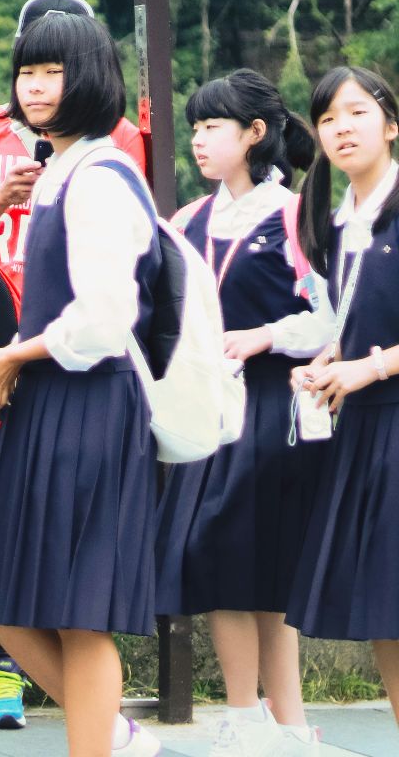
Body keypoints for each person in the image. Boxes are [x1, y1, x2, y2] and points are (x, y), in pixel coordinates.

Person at [0, 12, 166, 757]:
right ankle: (114, 734)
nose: (35, 87)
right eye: (27, 72)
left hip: (91, 406)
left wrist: (16, 354)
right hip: (53, 405)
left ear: (90, 79)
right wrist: (18, 355)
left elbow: (105, 321)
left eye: (53, 72)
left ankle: (102, 742)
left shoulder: (103, 175)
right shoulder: (61, 170)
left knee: (80, 615)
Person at [152, 69, 326, 756]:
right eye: (194, 126)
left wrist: (264, 336)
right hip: (208, 411)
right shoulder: (188, 220)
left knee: (261, 565)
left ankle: (279, 723)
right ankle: (252, 716)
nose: (197, 138)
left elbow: (328, 315)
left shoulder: (295, 213)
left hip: (271, 409)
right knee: (220, 559)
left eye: (212, 125)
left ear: (256, 134)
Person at [285, 66, 399, 737]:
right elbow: (353, 317)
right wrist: (331, 359)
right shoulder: (335, 221)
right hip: (367, 433)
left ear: (390, 123)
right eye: (328, 118)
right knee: (388, 612)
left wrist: (369, 368)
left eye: (357, 112)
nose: (341, 128)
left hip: (388, 418)